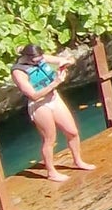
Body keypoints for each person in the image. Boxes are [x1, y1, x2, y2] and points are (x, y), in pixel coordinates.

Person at [11, 45, 95, 182]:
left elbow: (69, 60)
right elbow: (33, 95)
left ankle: (78, 161)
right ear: (27, 58)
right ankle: (51, 172)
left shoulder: (41, 58)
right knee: (50, 139)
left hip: (54, 98)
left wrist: (64, 63)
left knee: (72, 132)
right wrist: (55, 82)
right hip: (39, 105)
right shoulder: (18, 72)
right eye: (36, 61)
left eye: (40, 60)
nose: (39, 62)